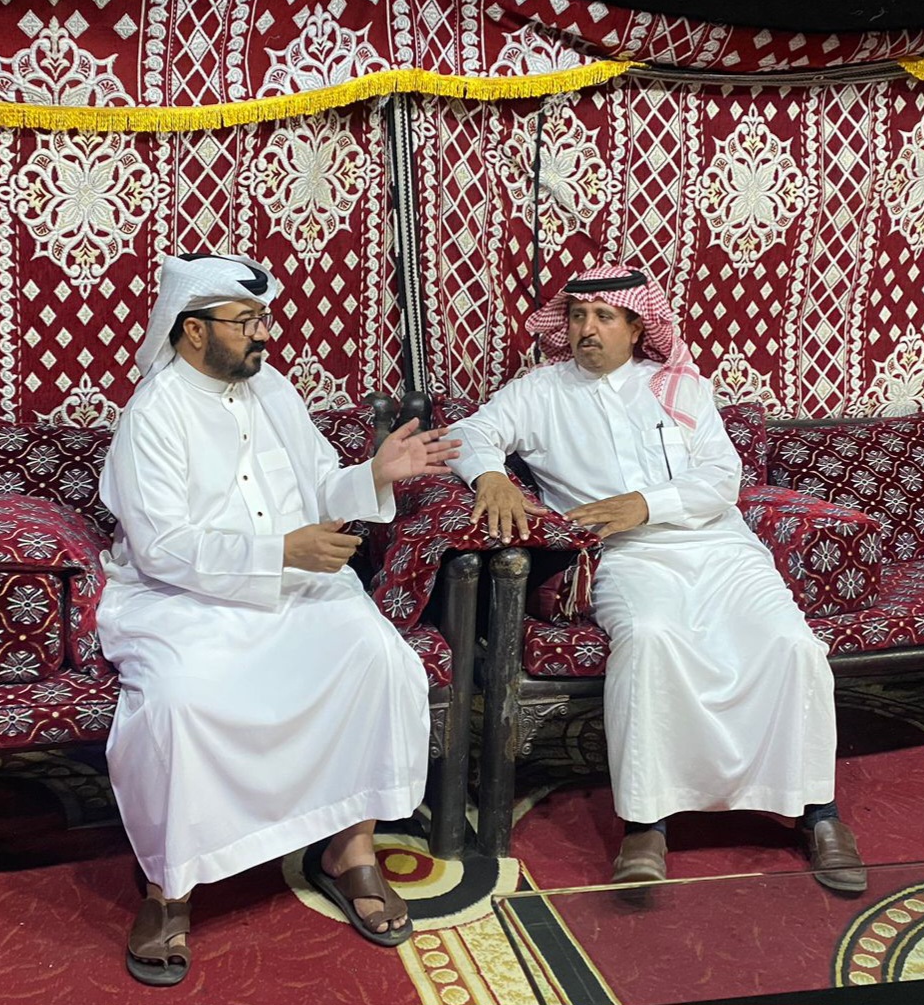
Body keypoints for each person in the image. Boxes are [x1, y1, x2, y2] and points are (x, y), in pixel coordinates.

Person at [97, 252, 459, 986]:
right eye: (246, 321)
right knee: (177, 704)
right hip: (184, 600)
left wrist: (372, 474)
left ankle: (349, 849)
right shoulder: (154, 414)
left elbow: (320, 483)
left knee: (382, 663)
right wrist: (277, 550)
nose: (264, 333)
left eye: (263, 318)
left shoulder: (274, 390)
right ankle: (169, 889)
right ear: (193, 330)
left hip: (296, 585)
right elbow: (161, 546)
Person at [446, 264, 866, 893]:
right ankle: (646, 824)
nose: (586, 330)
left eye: (603, 317)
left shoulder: (679, 386)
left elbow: (721, 477)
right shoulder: (540, 391)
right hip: (625, 556)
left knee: (792, 645)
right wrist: (491, 476)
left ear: (637, 326)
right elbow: (469, 433)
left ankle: (818, 813)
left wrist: (646, 503)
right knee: (648, 640)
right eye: (577, 317)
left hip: (721, 548)